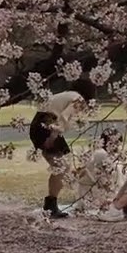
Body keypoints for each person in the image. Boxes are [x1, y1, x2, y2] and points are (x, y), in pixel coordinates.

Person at [29, 78, 98, 219]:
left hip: (39, 125)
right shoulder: (78, 99)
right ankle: (50, 205)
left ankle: (50, 204)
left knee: (62, 165)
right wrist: (53, 136)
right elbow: (64, 117)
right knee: (62, 166)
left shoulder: (68, 94)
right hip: (48, 126)